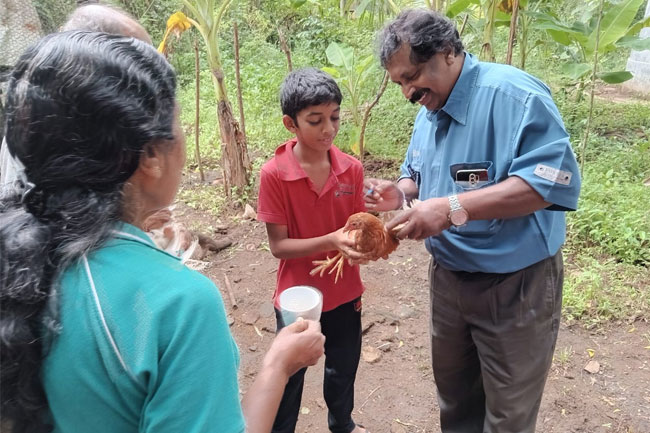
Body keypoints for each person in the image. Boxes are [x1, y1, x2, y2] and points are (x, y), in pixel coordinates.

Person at [0, 31, 324, 433]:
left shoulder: (21, 255)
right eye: (179, 122)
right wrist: (279, 364)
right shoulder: (180, 305)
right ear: (151, 155)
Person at [365, 9, 581, 433]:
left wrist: (448, 208)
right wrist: (402, 192)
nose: (408, 92)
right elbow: (418, 173)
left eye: (413, 76)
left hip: (516, 286)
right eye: (400, 83)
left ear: (446, 52)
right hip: (449, 283)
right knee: (456, 402)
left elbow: (547, 186)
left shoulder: (515, 98)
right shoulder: (429, 107)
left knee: (507, 416)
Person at [257, 68, 369, 433]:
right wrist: (331, 240)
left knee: (343, 369)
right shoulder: (274, 174)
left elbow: (356, 229)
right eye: (315, 120)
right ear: (291, 124)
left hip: (345, 292)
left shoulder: (351, 169)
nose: (329, 129)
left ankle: (343, 425)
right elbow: (279, 247)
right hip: (296, 297)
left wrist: (358, 247)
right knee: (289, 376)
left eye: (335, 117)